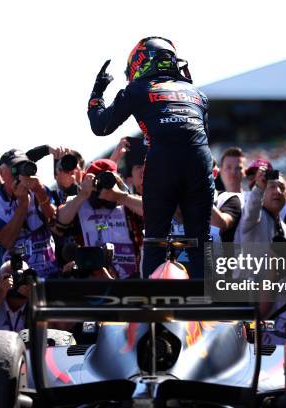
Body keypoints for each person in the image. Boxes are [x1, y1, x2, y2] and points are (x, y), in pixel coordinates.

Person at [87, 36, 214, 278]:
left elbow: (100, 126)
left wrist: (97, 91)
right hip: (200, 161)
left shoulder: (136, 89)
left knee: (156, 238)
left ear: (141, 63)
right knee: (200, 237)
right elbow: (202, 136)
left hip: (164, 162)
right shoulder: (198, 93)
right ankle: (206, 303)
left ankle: (153, 307)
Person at [57, 159, 144, 278]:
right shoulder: (77, 203)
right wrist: (83, 194)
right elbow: (59, 222)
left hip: (129, 281)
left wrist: (120, 196)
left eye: (109, 181)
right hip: (91, 279)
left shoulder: (128, 204)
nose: (104, 187)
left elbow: (152, 212)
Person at [0, 149, 59, 278]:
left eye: (23, 167)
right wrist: (23, 203)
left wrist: (39, 192)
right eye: (15, 169)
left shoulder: (40, 190)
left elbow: (55, 224)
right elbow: (6, 242)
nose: (20, 175)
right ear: (1, 172)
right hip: (16, 281)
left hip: (50, 273)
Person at [211, 147, 244, 243]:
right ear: (220, 171)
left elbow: (220, 225)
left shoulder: (255, 200)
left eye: (238, 168)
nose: (233, 172)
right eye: (228, 167)